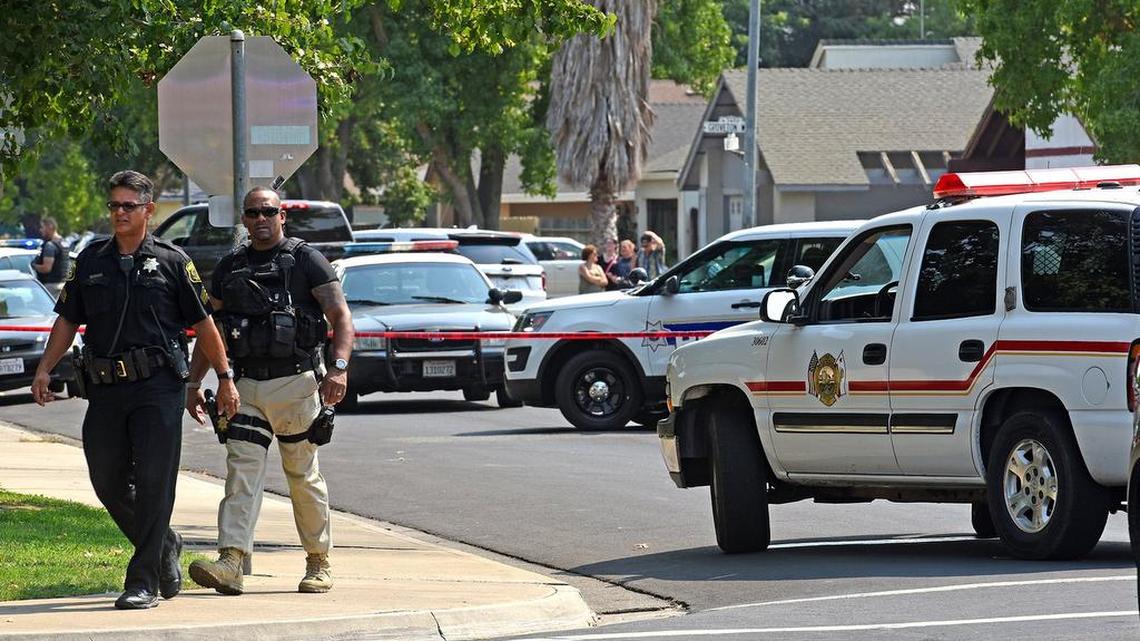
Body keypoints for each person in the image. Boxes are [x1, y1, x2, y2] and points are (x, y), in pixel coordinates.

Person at [30, 170, 239, 610]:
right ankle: (164, 542)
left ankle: (142, 579)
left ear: (148, 209)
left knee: (152, 483)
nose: (119, 213)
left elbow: (204, 324)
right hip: (106, 388)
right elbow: (68, 319)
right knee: (106, 477)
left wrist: (222, 378)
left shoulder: (171, 260)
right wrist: (45, 369)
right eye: (114, 205)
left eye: (128, 205)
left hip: (158, 387)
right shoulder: (91, 260)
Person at [186, 186, 353, 596]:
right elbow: (212, 330)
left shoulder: (307, 261)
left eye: (268, 211)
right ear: (243, 219)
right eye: (252, 213)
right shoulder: (229, 267)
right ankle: (231, 561)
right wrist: (194, 382)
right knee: (241, 474)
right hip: (244, 387)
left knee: (302, 475)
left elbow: (340, 316)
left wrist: (340, 369)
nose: (261, 219)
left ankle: (318, 561)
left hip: (296, 385)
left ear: (282, 216)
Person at [32, 216, 68, 298]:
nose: (40, 230)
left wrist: (34, 266)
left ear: (50, 226)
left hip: (52, 287)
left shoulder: (50, 245)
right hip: (63, 285)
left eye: (42, 227)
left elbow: (46, 268)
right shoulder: (64, 243)